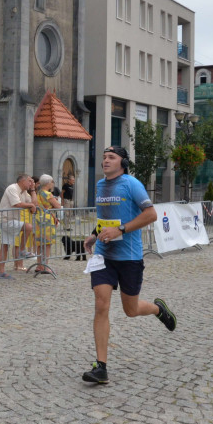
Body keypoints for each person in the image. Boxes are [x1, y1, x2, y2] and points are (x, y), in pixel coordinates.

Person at [81, 146, 176, 385]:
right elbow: (106, 219)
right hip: (104, 255)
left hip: (129, 256)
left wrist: (120, 230)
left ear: (123, 162)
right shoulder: (101, 185)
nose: (105, 161)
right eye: (103, 157)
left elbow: (151, 214)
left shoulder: (131, 184)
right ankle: (101, 367)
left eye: (111, 157)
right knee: (101, 305)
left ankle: (158, 309)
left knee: (130, 310)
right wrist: (95, 234)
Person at [0, 174, 36, 278]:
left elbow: (34, 203)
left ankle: (1, 272)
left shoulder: (24, 192)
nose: (31, 183)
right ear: (22, 181)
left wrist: (32, 190)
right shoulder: (12, 188)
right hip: (6, 220)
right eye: (29, 181)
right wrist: (31, 206)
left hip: (12, 220)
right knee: (28, 227)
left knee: (5, 245)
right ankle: (22, 251)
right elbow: (17, 204)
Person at [32, 174, 62, 274]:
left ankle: (39, 265)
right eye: (52, 182)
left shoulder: (39, 193)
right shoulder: (48, 194)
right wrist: (52, 206)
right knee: (47, 243)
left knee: (40, 243)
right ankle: (45, 266)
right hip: (47, 219)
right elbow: (58, 206)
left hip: (38, 219)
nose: (53, 184)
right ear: (48, 183)